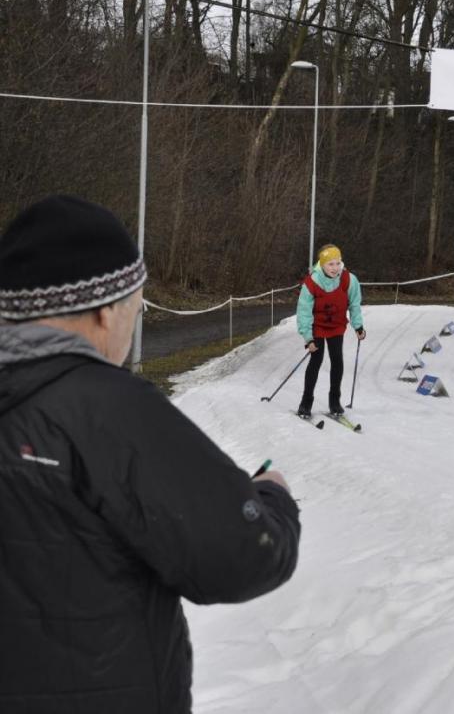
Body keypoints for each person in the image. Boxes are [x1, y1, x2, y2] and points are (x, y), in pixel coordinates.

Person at [0, 195, 301, 713]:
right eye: (135, 309)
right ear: (104, 312)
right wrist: (272, 499)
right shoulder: (107, 408)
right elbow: (242, 554)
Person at [296, 243, 365, 417]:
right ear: (322, 264)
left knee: (337, 360)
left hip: (336, 326)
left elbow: (355, 304)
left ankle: (334, 402)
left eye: (338, 263)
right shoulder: (312, 282)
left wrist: (358, 326)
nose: (335, 268)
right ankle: (306, 403)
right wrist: (308, 338)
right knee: (316, 360)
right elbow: (304, 311)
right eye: (330, 264)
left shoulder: (349, 280)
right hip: (317, 327)